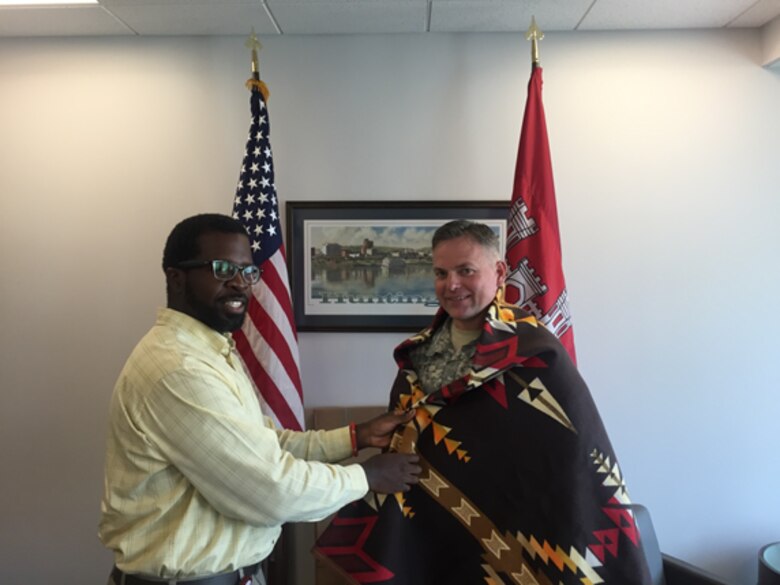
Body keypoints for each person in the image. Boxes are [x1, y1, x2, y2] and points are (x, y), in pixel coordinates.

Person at [315, 220, 652, 584]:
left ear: (499, 272)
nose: (452, 285)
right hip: (431, 532)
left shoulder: (537, 355)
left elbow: (575, 459)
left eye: (466, 271)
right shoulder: (418, 356)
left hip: (521, 533)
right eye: (441, 273)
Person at [99, 213, 420, 585]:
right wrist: (365, 476)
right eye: (222, 269)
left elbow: (264, 444)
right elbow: (270, 488)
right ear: (176, 277)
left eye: (248, 272)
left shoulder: (211, 350)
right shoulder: (180, 369)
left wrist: (355, 437)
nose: (239, 283)